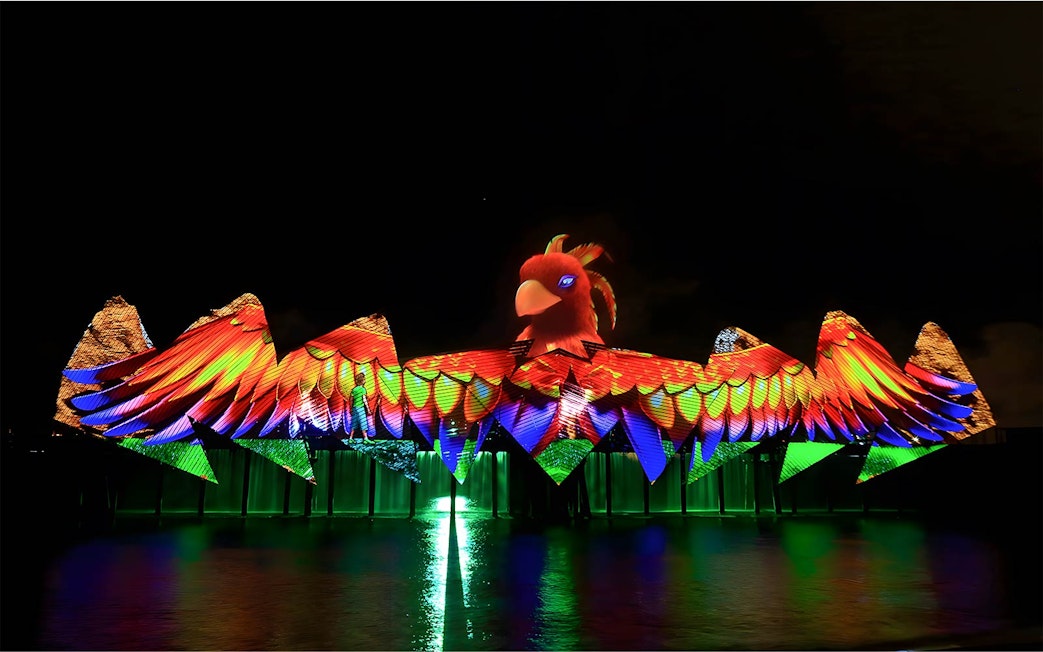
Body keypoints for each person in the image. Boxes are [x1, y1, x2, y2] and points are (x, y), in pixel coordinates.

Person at [347, 371, 373, 442]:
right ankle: (365, 439)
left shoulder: (354, 390)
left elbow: (351, 400)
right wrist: (368, 409)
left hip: (355, 408)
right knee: (363, 423)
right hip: (360, 408)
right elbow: (364, 399)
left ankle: (350, 438)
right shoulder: (363, 389)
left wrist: (351, 408)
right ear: (363, 381)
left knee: (354, 423)